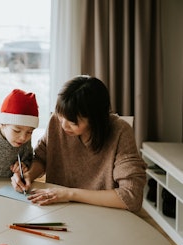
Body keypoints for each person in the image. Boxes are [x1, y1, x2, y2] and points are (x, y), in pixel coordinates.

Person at [11, 75, 147, 212]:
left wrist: (69, 194)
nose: (64, 125)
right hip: (57, 208)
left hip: (102, 213)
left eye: (73, 122)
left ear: (95, 119)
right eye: (60, 115)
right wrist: (28, 176)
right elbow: (42, 157)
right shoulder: (56, 122)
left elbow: (131, 197)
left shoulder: (120, 132)